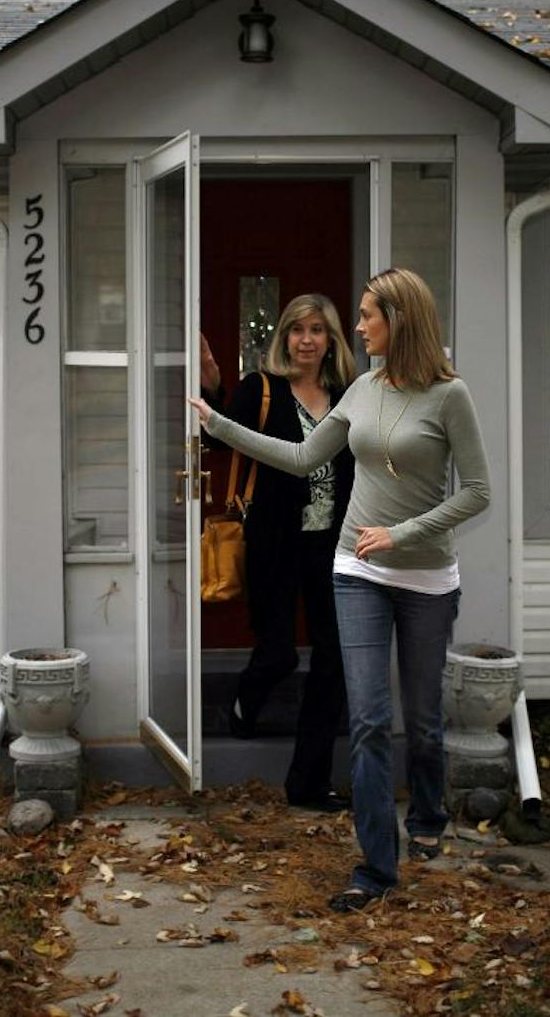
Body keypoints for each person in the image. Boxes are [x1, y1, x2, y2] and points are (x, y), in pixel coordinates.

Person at [191, 268, 491, 912]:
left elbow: (477, 492)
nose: (355, 328)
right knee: (370, 722)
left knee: (426, 723)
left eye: (365, 316)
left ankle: (429, 816)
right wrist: (219, 425)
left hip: (425, 575)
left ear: (399, 321)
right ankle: (376, 869)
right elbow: (302, 458)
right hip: (355, 570)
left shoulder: (449, 396)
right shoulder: (360, 388)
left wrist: (403, 533)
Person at [200, 294, 357, 812]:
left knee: (333, 658)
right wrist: (211, 385)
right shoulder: (261, 389)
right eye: (296, 330)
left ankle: (308, 781)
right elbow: (221, 441)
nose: (306, 340)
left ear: (331, 339)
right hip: (274, 539)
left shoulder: (348, 394)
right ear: (284, 338)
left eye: (317, 330)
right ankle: (244, 702)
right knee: (279, 652)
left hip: (332, 544)